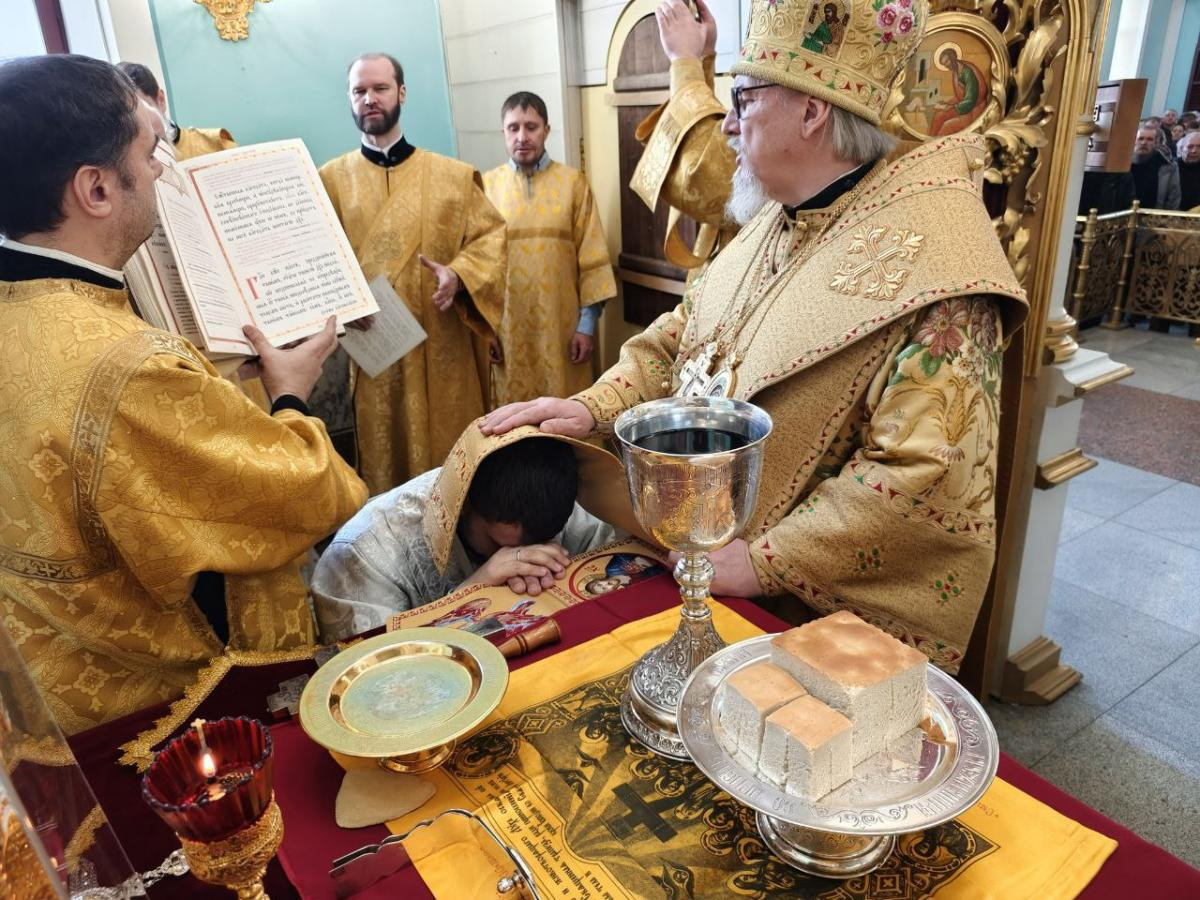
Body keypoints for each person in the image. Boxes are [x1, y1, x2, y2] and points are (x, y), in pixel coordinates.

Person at [482, 0, 1029, 673]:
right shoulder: (777, 214)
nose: (728, 123)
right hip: (691, 559)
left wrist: (769, 561)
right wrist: (592, 405)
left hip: (801, 623)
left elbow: (926, 473)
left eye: (742, 99)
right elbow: (681, 340)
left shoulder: (940, 262)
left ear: (812, 112)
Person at [0, 55, 368, 733]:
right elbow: (308, 491)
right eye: (148, 154)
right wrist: (289, 395)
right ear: (96, 188)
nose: (161, 172)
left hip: (47, 700)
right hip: (165, 721)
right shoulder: (131, 366)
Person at [319, 52, 506, 494]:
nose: (369, 99)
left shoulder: (452, 177)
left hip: (443, 346)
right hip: (377, 354)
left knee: (453, 473)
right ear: (349, 99)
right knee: (388, 470)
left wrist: (459, 275)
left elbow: (491, 238)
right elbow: (316, 263)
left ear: (401, 93)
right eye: (359, 91)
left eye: (380, 88)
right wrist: (343, 304)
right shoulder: (329, 182)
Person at [311, 428, 632, 641]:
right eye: (496, 544)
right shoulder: (365, 552)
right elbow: (373, 673)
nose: (518, 561)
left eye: (541, 543)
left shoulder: (564, 502)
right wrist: (472, 591)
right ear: (462, 504)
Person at [483, 92, 617, 404]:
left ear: (546, 129)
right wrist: (485, 332)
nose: (522, 137)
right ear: (503, 132)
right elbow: (478, 270)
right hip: (507, 335)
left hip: (564, 334)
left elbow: (592, 260)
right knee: (513, 421)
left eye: (531, 127)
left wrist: (586, 328)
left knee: (565, 416)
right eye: (513, 128)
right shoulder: (486, 187)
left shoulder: (573, 185)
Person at [116, 62, 236, 161]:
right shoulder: (124, 165)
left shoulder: (217, 145)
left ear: (161, 100)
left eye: (143, 111)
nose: (136, 126)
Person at [1131, 121, 1182, 210]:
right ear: (1134, 140)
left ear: (1156, 143)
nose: (1144, 142)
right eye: (1140, 138)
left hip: (1154, 214)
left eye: (1149, 139)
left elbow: (1173, 196)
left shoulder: (1167, 165)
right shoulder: (1120, 162)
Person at [1176, 131, 1200, 209]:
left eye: (1199, 147)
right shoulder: (1171, 167)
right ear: (1181, 148)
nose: (1194, 151)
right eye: (1190, 147)